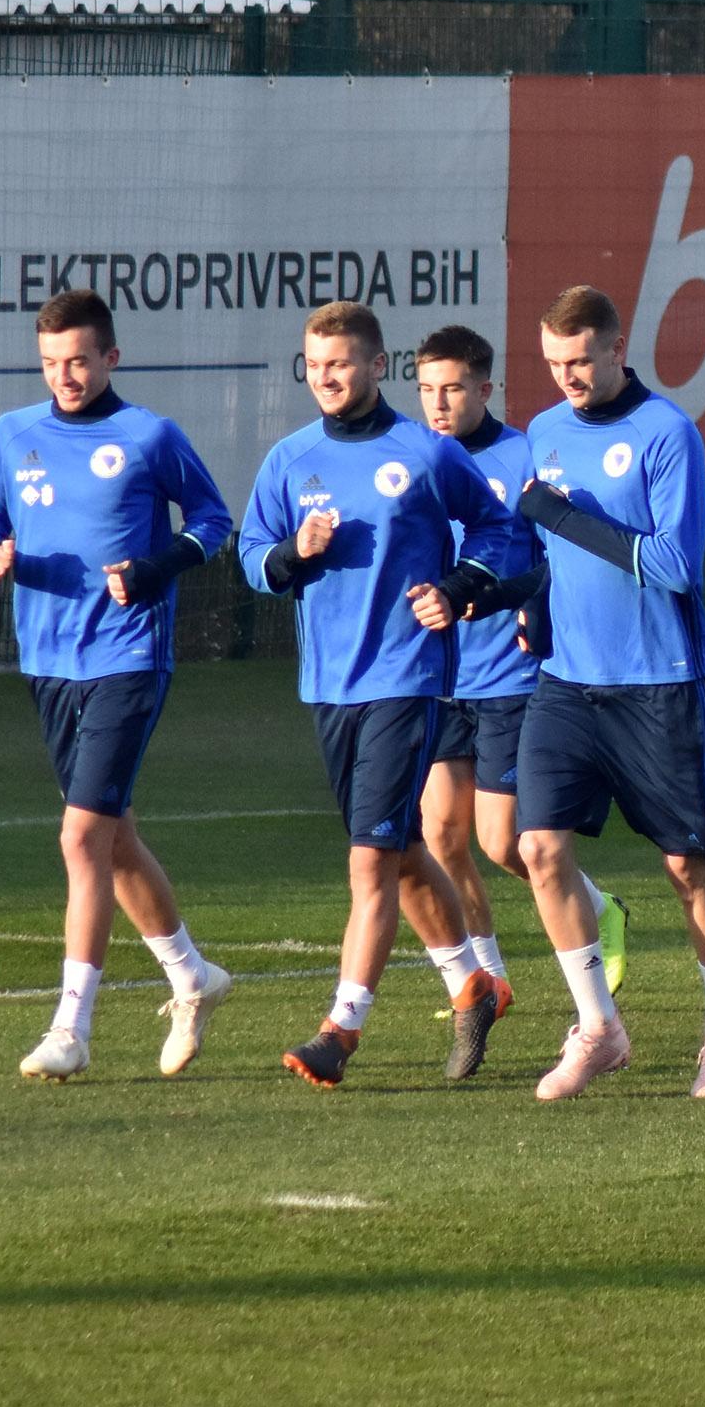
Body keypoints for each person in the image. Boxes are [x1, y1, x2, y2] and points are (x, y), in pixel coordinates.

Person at [240, 301, 521, 1086]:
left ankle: (341, 1030)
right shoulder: (291, 459)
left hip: (409, 677)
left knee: (368, 862)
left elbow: (499, 530)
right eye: (315, 365)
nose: (326, 378)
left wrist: (461, 585)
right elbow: (251, 555)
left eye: (340, 364)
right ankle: (475, 984)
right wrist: (292, 553)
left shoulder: (426, 454)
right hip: (330, 684)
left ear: (375, 367)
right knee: (397, 853)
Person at [0, 288, 235, 1083]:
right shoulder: (12, 435)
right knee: (112, 839)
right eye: (51, 363)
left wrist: (153, 571)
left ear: (111, 357)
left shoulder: (149, 436)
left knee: (80, 836)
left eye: (79, 360)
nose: (65, 375)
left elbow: (214, 521)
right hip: (47, 661)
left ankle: (71, 1028)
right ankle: (191, 976)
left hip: (127, 656)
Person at [511, 285, 705, 1101]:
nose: (567, 378)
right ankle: (598, 1026)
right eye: (554, 364)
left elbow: (678, 565)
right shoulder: (544, 432)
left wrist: (570, 518)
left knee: (686, 866)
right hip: (565, 685)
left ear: (618, 349)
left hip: (658, 686)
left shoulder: (666, 433)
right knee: (538, 849)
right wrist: (534, 608)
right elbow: (546, 548)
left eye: (580, 360)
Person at [413, 323, 629, 1027]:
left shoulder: (522, 453)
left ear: (485, 388)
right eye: (426, 390)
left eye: (452, 388)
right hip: (439, 674)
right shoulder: (412, 458)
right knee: (441, 836)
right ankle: (486, 982)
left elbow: (550, 552)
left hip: (509, 673)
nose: (438, 404)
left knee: (501, 841)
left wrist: (530, 603)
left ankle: (602, 908)